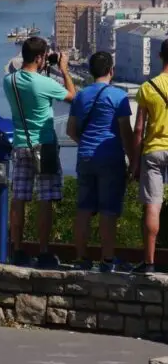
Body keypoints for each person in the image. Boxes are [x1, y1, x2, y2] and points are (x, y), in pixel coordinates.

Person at [3, 36, 76, 269]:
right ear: (39, 57)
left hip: (21, 145)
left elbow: (31, 85)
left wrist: (44, 68)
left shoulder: (9, 81)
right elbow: (72, 96)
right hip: (44, 146)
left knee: (19, 198)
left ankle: (17, 249)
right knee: (45, 199)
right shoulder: (44, 84)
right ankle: (44, 250)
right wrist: (63, 70)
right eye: (45, 56)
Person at [66, 52, 133, 272]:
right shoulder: (119, 97)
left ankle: (81, 257)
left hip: (85, 156)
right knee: (108, 210)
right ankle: (107, 260)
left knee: (84, 209)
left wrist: (86, 142)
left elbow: (70, 130)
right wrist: (133, 162)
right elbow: (126, 133)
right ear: (111, 71)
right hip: (110, 157)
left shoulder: (80, 96)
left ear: (91, 71)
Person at [132, 39, 168, 274]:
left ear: (159, 56)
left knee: (152, 207)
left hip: (153, 150)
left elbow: (138, 129)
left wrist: (134, 161)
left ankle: (149, 262)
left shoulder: (148, 88)